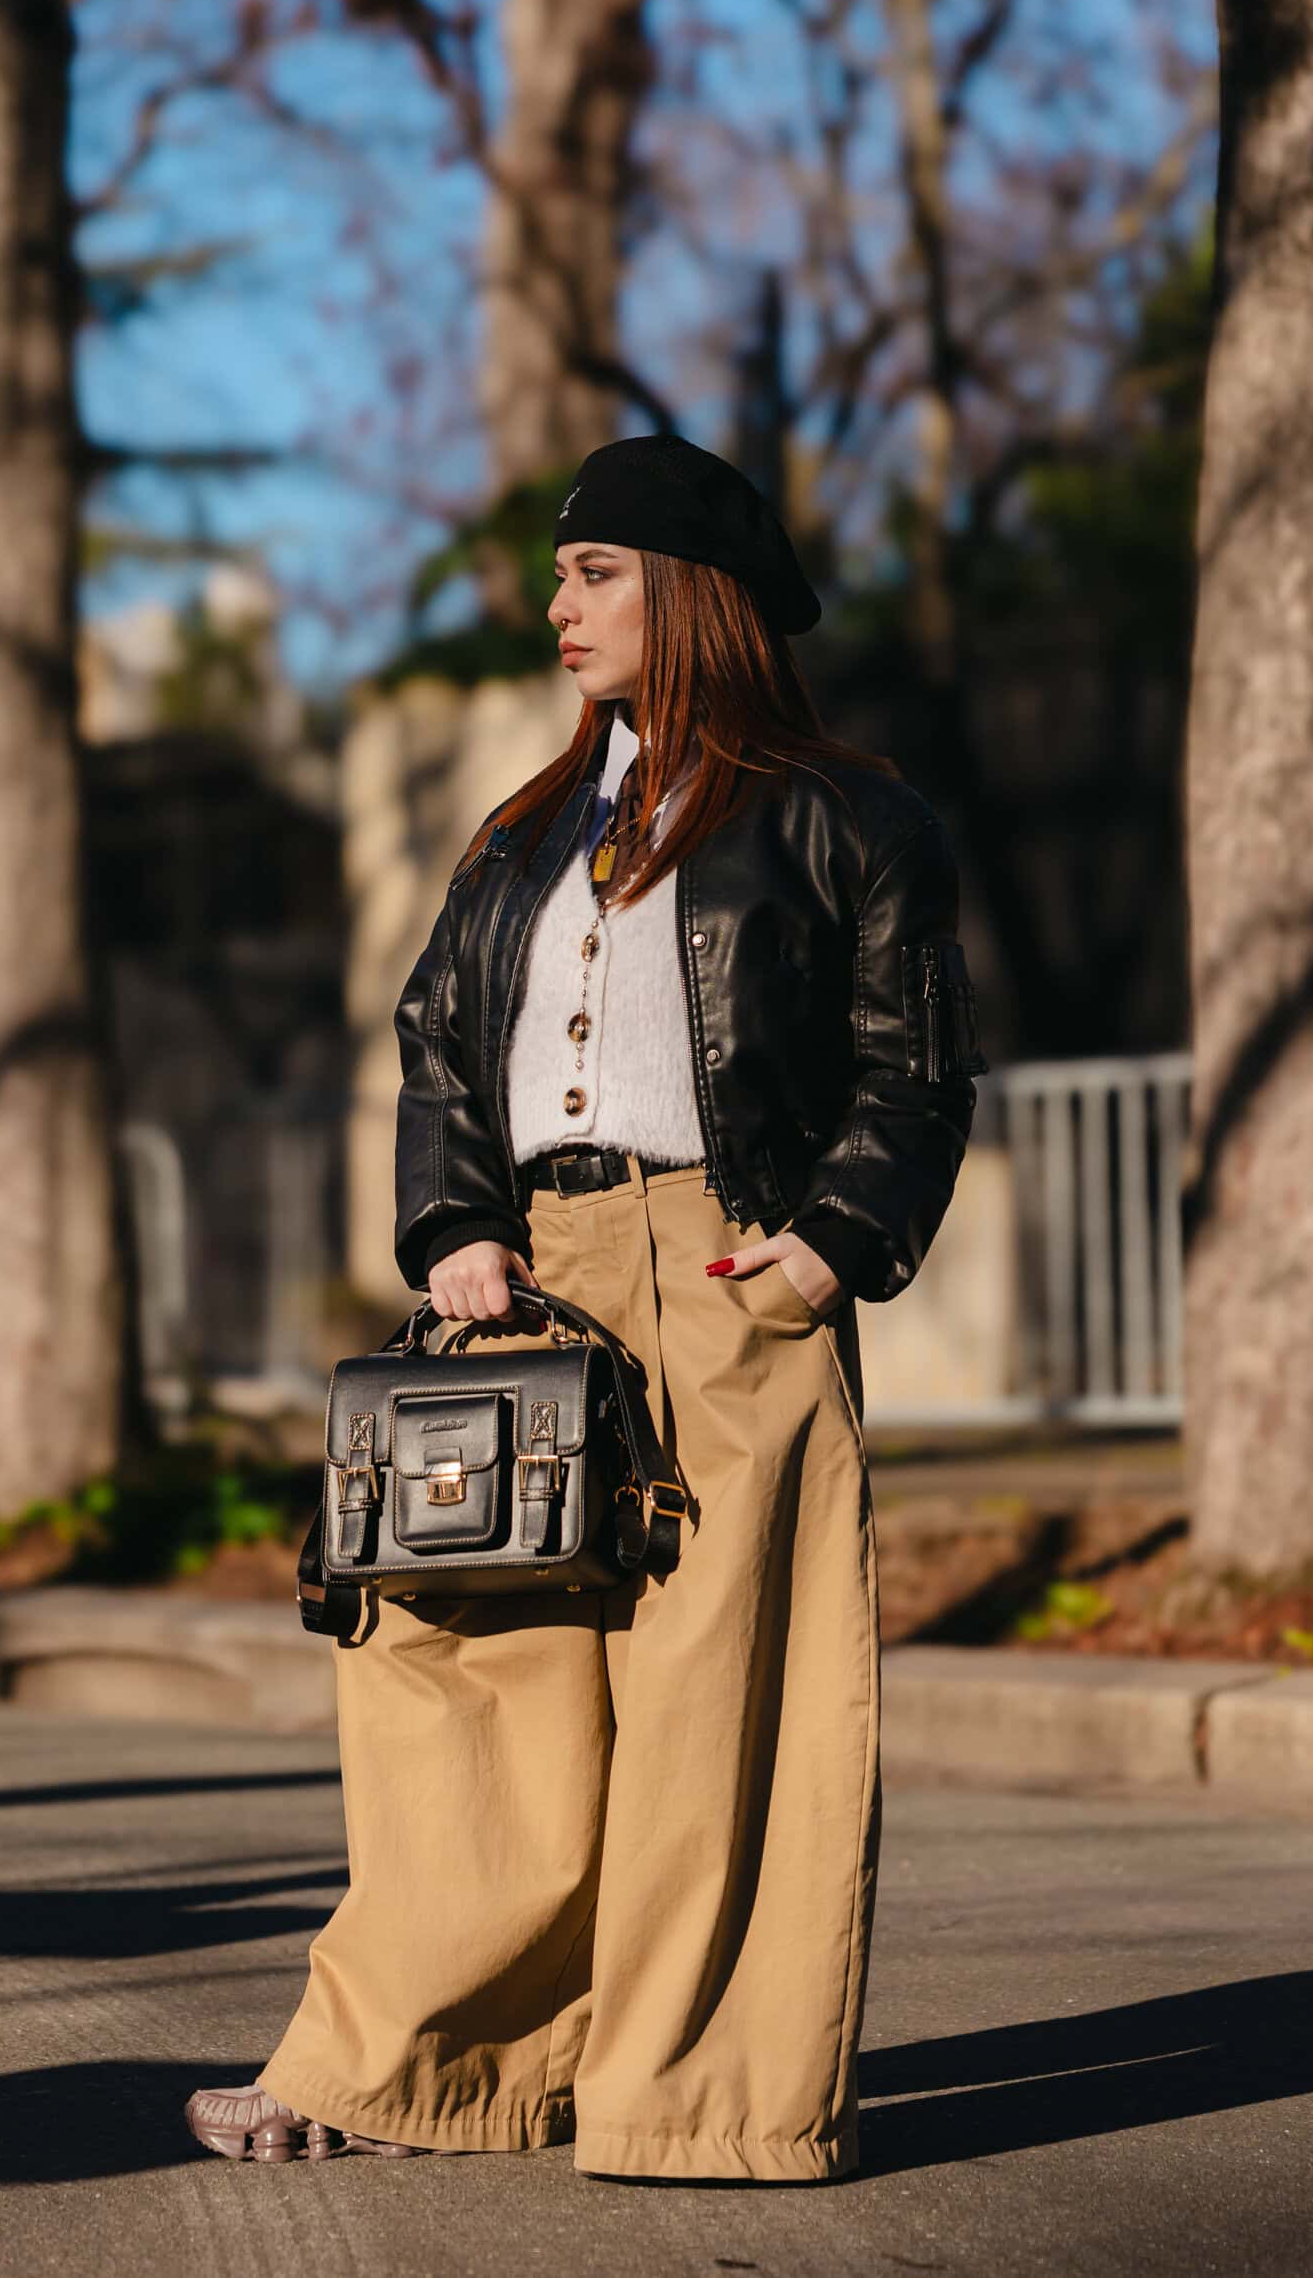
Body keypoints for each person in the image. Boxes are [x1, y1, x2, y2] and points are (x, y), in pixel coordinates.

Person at [186, 432, 986, 2183]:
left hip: (730, 1273)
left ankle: (691, 2103)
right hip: (529, 1286)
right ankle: (403, 2070)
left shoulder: (849, 818)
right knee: (453, 1670)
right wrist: (454, 1223)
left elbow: (910, 1068)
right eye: (558, 575)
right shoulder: (523, 831)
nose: (559, 604)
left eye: (595, 573)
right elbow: (435, 1043)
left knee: (718, 1710)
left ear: (692, 596)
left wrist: (822, 1252)